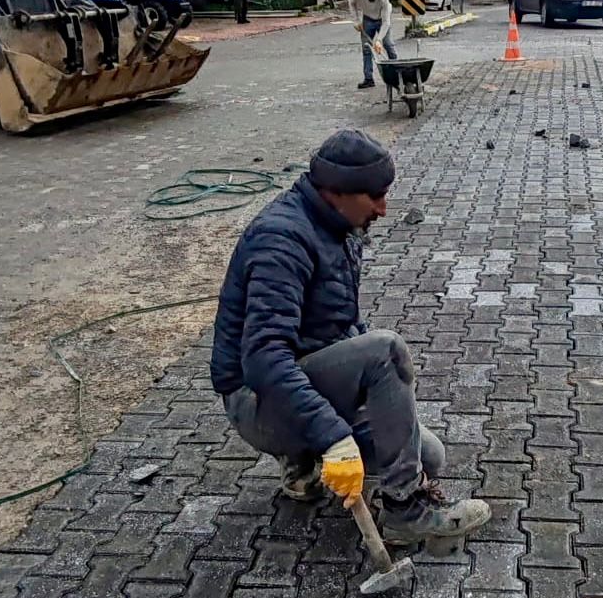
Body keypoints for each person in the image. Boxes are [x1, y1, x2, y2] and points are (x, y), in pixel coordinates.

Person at [210, 129, 491, 545]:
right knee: (386, 351)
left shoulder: (336, 226)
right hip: (256, 403)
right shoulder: (281, 241)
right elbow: (263, 359)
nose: (383, 208)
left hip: (293, 386)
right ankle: (404, 511)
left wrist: (379, 405)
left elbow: (337, 326)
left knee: (429, 456)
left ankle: (303, 462)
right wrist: (334, 435)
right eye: (375, 196)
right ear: (336, 191)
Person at [348, 0, 396, 90]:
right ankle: (368, 79)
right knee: (366, 49)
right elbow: (351, 3)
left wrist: (379, 40)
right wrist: (355, 21)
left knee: (388, 45)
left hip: (382, 19)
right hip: (367, 19)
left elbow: (386, 22)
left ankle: (396, 73)